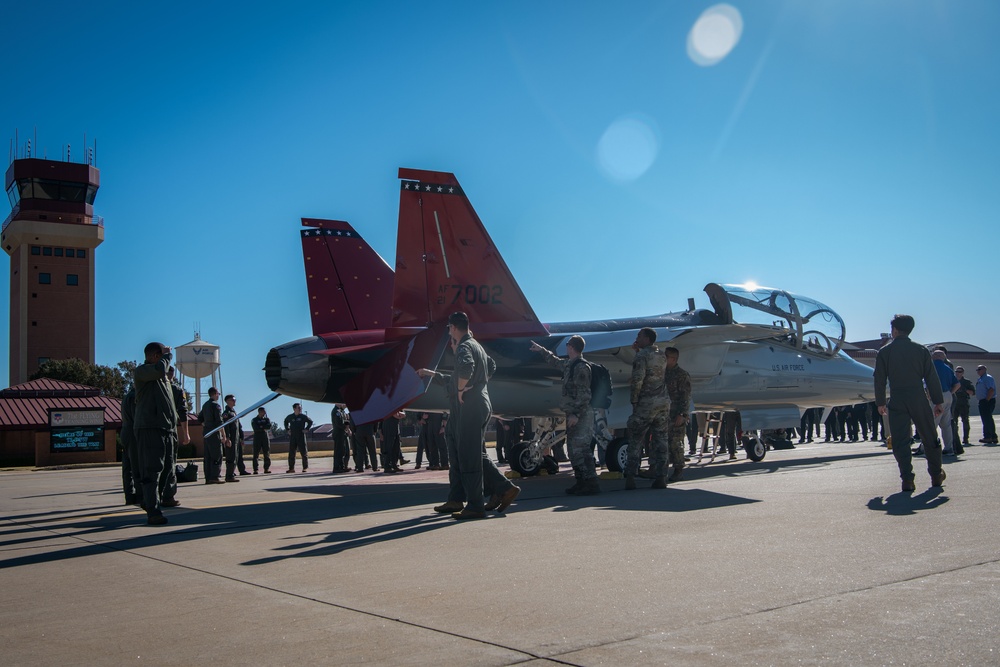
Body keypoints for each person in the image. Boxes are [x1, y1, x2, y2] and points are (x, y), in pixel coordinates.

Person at [417, 311, 519, 519]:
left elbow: (465, 370)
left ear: (453, 328)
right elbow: (489, 366)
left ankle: (476, 504)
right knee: (460, 451)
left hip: (470, 406)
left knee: (469, 456)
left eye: (449, 329)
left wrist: (465, 388)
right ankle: (458, 497)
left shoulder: (465, 346)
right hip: (469, 406)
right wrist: (433, 375)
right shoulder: (476, 346)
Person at [873, 314, 946, 493]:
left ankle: (907, 479)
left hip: (897, 398)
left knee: (900, 440)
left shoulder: (885, 352)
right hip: (918, 398)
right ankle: (936, 474)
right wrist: (938, 401)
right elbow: (931, 377)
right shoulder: (921, 350)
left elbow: (879, 379)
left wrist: (880, 402)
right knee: (929, 436)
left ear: (896, 330)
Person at [530, 335, 600, 495]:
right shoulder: (571, 365)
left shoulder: (581, 367)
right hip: (574, 414)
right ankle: (581, 481)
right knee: (573, 450)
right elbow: (555, 361)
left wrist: (575, 414)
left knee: (581, 449)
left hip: (581, 414)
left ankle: (591, 482)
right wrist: (541, 350)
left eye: (568, 344)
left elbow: (584, 395)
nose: (566, 346)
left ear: (571, 347)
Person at [133, 342, 178, 525]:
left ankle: (149, 500)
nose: (165, 362)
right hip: (149, 427)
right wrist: (168, 356)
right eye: (162, 357)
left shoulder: (162, 378)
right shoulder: (143, 371)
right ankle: (153, 510)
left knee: (168, 468)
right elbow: (160, 369)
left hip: (166, 428)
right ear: (153, 356)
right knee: (153, 469)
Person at [624, 327, 669, 490]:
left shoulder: (642, 356)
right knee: (661, 440)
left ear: (647, 339)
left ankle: (630, 477)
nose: (637, 338)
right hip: (663, 401)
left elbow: (638, 379)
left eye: (639, 336)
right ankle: (661, 476)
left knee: (636, 439)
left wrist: (634, 401)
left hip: (646, 403)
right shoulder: (661, 354)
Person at [158, 366, 190, 507]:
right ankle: (168, 496)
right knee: (170, 464)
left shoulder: (152, 387)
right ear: (172, 374)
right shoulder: (176, 390)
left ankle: (151, 497)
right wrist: (186, 433)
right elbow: (182, 413)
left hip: (151, 431)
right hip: (169, 430)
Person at [663, 346, 692, 477]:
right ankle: (659, 469)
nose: (664, 358)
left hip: (676, 414)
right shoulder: (662, 373)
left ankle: (678, 468)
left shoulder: (682, 375)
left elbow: (685, 396)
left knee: (676, 443)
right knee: (660, 443)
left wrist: (683, 414)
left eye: (667, 356)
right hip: (663, 413)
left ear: (673, 359)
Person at [931, 350, 959, 456]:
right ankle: (948, 448)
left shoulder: (931, 366)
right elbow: (957, 384)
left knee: (932, 423)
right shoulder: (948, 368)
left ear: (934, 356)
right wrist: (950, 393)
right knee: (946, 424)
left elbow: (926, 382)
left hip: (936, 396)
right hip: (947, 395)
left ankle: (927, 447)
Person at [200, 387, 229, 484]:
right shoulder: (215, 405)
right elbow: (220, 422)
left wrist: (206, 425)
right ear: (215, 393)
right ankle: (215, 476)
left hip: (206, 433)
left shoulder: (205, 405)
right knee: (217, 455)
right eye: (218, 394)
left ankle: (208, 477)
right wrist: (224, 436)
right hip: (214, 433)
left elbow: (200, 418)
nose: (218, 396)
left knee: (207, 456)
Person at [120, 387, 140, 505]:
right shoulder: (134, 398)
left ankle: (129, 494)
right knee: (136, 466)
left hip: (125, 431)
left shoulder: (126, 397)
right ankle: (139, 495)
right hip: (133, 432)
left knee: (127, 467)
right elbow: (135, 417)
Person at [222, 394, 246, 481]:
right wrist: (227, 438)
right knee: (231, 457)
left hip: (236, 438)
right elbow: (226, 426)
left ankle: (232, 473)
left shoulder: (234, 412)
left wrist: (242, 437)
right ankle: (229, 476)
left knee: (236, 457)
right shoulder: (226, 413)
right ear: (228, 401)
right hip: (231, 439)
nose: (234, 401)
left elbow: (239, 427)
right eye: (233, 399)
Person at [284, 403, 314, 472]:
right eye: (298, 408)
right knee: (292, 452)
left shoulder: (303, 416)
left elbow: (310, 421)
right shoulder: (290, 417)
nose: (300, 409)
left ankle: (305, 467)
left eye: (300, 408)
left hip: (301, 435)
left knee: (304, 452)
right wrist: (287, 430)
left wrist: (307, 429)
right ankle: (291, 468)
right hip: (293, 436)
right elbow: (285, 422)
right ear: (294, 409)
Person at [951, 367, 975, 452]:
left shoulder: (967, 382)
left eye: (960, 371)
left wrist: (965, 390)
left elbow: (972, 393)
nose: (958, 373)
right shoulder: (952, 380)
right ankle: (954, 439)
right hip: (955, 404)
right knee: (954, 422)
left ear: (963, 372)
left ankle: (965, 438)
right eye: (956, 371)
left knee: (965, 421)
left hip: (964, 403)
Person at [976, 365, 997, 444]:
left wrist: (986, 400)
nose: (978, 371)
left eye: (979, 369)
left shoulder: (987, 378)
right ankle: (993, 437)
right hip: (983, 401)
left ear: (984, 369)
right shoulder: (981, 379)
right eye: (977, 370)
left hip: (987, 401)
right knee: (988, 419)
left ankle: (988, 437)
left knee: (986, 419)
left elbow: (991, 390)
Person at [250, 407, 272, 474]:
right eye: (263, 412)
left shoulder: (267, 419)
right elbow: (255, 428)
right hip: (257, 438)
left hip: (265, 437)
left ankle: (266, 468)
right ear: (260, 412)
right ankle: (255, 469)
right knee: (256, 454)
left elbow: (269, 426)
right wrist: (263, 427)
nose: (264, 413)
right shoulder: (254, 420)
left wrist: (261, 427)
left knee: (266, 453)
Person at [330, 403, 352, 473]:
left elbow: (344, 421)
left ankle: (342, 466)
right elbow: (338, 423)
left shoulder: (341, 411)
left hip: (342, 433)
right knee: (339, 451)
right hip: (338, 433)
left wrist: (347, 427)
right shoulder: (336, 411)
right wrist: (346, 427)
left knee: (343, 450)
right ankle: (337, 467)